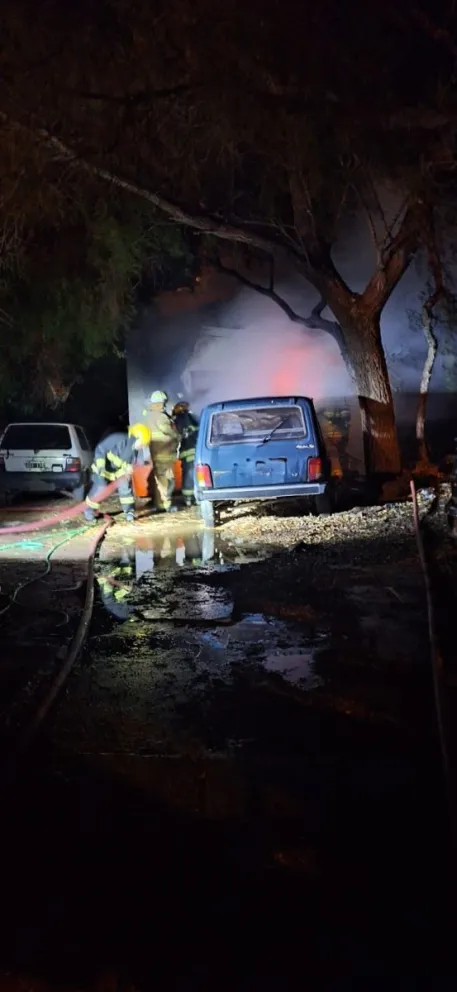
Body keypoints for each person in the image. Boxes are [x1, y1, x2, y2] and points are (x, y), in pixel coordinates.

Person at [84, 423, 151, 523]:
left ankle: (129, 512)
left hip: (119, 471)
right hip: (103, 468)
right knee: (100, 491)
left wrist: (128, 469)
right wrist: (100, 465)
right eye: (142, 443)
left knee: (126, 489)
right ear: (136, 437)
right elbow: (101, 448)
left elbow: (130, 461)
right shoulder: (118, 437)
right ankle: (89, 512)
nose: (142, 446)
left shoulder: (134, 449)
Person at [142, 390, 179, 512]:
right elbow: (167, 430)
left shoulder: (149, 416)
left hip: (156, 453)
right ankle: (167, 505)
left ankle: (160, 504)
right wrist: (177, 435)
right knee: (168, 480)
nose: (164, 405)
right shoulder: (161, 417)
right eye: (163, 403)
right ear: (158, 404)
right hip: (165, 453)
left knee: (159, 479)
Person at [172, 400, 199, 506]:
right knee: (195, 474)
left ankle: (188, 498)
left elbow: (176, 437)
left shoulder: (180, 419)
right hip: (197, 450)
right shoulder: (193, 417)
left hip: (187, 452)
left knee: (188, 474)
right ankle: (196, 496)